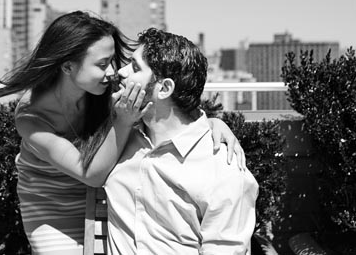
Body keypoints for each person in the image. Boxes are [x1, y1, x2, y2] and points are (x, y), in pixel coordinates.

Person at [0, 11, 244, 254]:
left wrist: (210, 124)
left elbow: (170, 108)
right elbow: (91, 175)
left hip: (105, 195)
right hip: (51, 203)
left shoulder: (104, 88)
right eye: (102, 64)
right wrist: (122, 121)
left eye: (112, 61)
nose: (113, 71)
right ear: (68, 66)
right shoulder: (31, 116)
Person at [104, 27, 259, 255]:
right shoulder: (120, 136)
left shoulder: (223, 171)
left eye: (136, 68)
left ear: (165, 89)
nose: (122, 72)